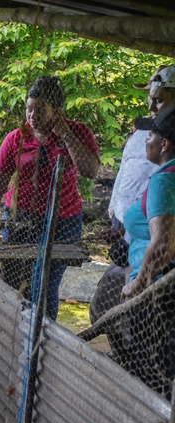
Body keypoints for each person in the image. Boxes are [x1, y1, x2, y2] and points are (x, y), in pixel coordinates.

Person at [0, 75, 100, 320]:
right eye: (29, 109)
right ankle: (12, 330)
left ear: (58, 111)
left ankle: (42, 340)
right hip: (21, 219)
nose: (32, 116)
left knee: (44, 285)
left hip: (63, 221)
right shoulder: (16, 138)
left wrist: (66, 135)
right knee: (14, 280)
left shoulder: (77, 131)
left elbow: (90, 171)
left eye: (40, 110)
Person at [92, 66, 175, 350]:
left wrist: (140, 282)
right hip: (134, 250)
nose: (151, 106)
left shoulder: (165, 174)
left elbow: (164, 237)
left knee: (143, 340)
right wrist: (119, 226)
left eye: (160, 100)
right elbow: (129, 183)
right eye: (150, 99)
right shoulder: (144, 132)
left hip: (154, 276)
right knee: (104, 312)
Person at [117, 104, 175, 396]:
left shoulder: (165, 180)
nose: (145, 141)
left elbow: (164, 242)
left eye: (150, 135)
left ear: (164, 144)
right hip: (162, 283)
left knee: (151, 369)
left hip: (157, 290)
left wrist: (139, 283)